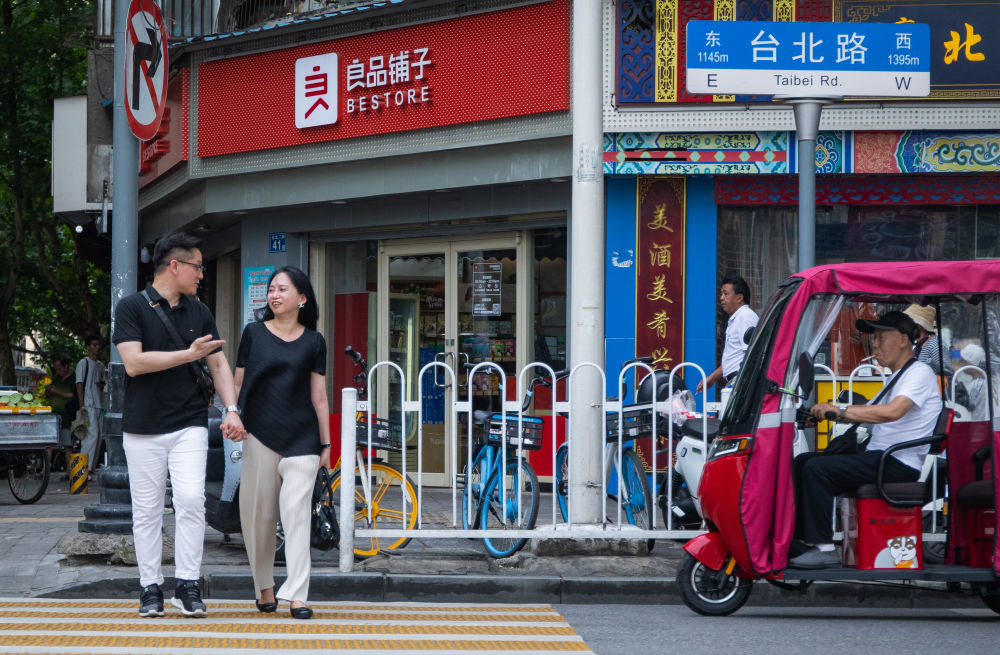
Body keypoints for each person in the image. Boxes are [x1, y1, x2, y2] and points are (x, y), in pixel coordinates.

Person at [112, 232, 245, 618]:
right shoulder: (132, 308)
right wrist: (187, 354)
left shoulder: (198, 311)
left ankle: (187, 585)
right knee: (148, 511)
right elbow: (134, 363)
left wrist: (231, 408)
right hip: (143, 427)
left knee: (190, 500)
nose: (201, 274)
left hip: (189, 422)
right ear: (175, 266)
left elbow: (217, 363)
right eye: (198, 266)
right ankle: (150, 587)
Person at [790, 310, 943, 569]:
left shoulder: (919, 373)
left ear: (904, 339)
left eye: (882, 337)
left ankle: (824, 548)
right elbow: (863, 413)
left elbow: (892, 412)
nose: (875, 343)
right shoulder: (897, 375)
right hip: (879, 456)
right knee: (803, 461)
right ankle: (799, 540)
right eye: (874, 337)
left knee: (817, 469)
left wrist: (838, 411)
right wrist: (819, 415)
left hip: (896, 462)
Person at [232, 266, 330, 620]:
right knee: (259, 517)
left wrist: (326, 446)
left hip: (302, 438)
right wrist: (232, 415)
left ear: (301, 298)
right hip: (258, 433)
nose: (274, 295)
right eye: (271, 289)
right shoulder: (253, 334)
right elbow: (238, 384)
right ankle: (265, 589)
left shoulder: (314, 342)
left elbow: (319, 397)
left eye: (282, 289)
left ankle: (298, 595)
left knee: (296, 514)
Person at [697, 276, 759, 393]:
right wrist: (712, 378)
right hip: (736, 383)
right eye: (721, 294)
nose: (721, 298)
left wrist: (743, 386)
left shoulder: (745, 316)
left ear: (739, 297)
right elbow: (733, 357)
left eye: (726, 294)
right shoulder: (736, 318)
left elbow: (752, 355)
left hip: (741, 384)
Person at [75, 336, 107, 474]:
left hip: (99, 404)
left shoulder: (100, 365)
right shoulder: (83, 363)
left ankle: (90, 469)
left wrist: (101, 385)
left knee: (98, 437)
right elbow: (79, 384)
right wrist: (82, 405)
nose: (97, 348)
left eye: (98, 345)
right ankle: (82, 470)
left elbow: (102, 384)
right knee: (90, 437)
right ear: (88, 347)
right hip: (88, 404)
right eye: (94, 345)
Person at [46, 356, 77, 475]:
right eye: (56, 369)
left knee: (67, 444)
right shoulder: (56, 378)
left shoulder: (73, 378)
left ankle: (69, 471)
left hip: (66, 416)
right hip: (53, 415)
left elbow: (72, 395)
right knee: (48, 443)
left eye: (59, 369)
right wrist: (48, 391)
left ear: (66, 367)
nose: (57, 372)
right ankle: (45, 470)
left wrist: (57, 392)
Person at [903, 304, 953, 378]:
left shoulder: (935, 345)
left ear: (920, 326)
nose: (906, 329)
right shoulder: (919, 347)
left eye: (909, 325)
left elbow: (947, 374)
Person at [954, 343, 988, 421]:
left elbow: (968, 407)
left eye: (962, 360)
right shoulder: (984, 381)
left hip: (977, 426)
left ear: (969, 363)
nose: (960, 363)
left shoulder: (977, 384)